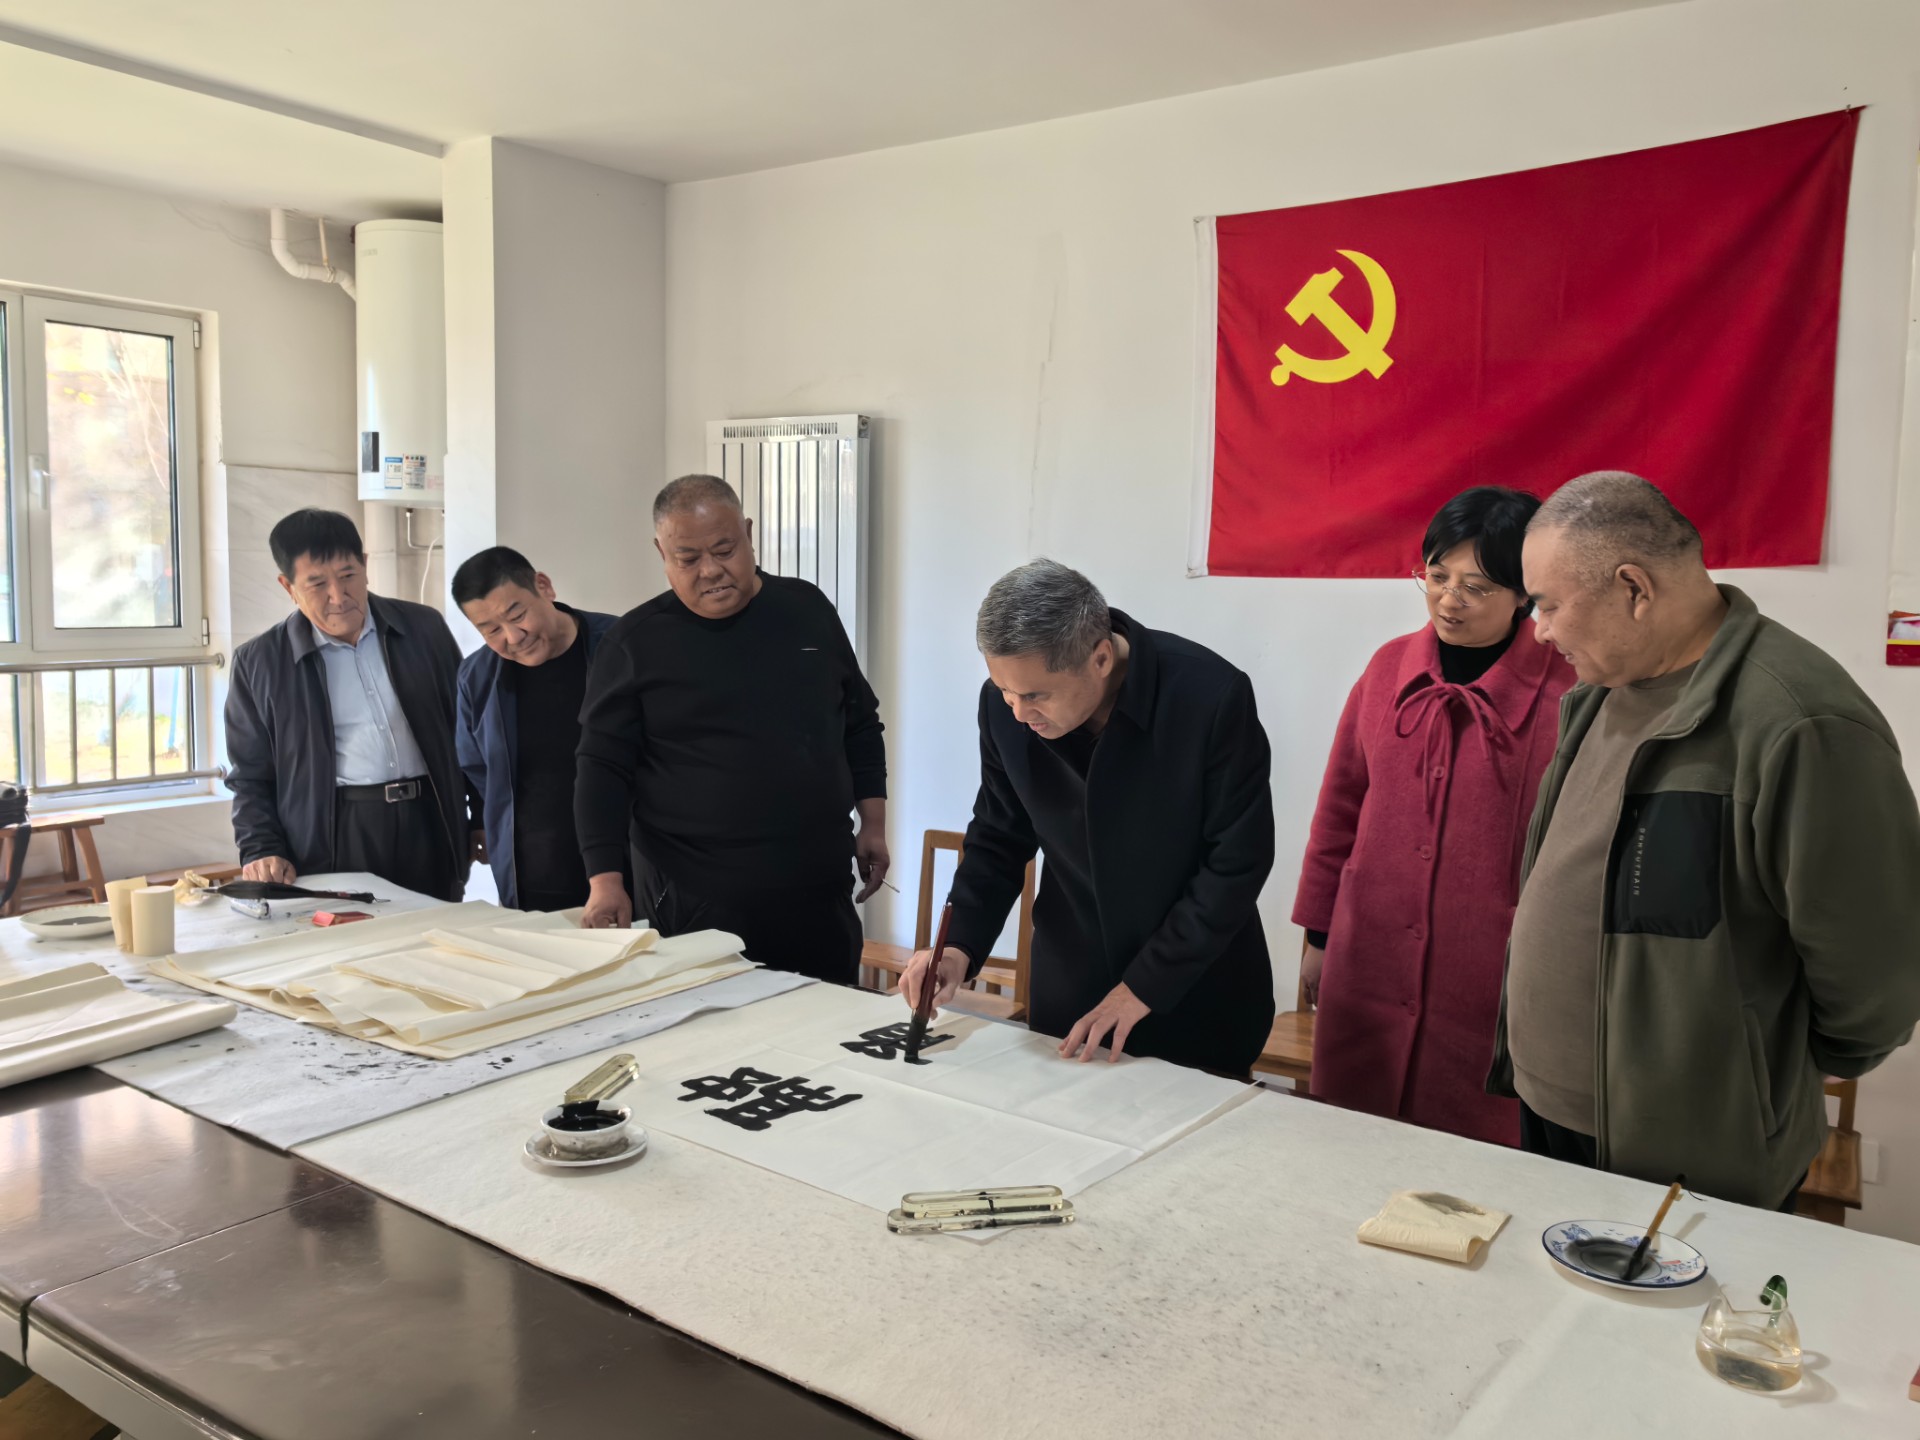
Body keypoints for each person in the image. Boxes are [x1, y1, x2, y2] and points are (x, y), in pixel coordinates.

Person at [1489, 471, 1920, 1209]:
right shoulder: (1600, 693)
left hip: (1691, 1151)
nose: (1541, 630)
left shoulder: (1799, 721)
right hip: (1555, 1113)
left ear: (1634, 588)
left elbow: (1875, 972)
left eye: (1550, 604)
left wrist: (1759, 1078)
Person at [900, 559, 1275, 1076]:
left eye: (1035, 695)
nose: (1018, 712)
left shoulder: (1208, 697)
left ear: (1100, 658)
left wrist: (1143, 986)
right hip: (1070, 988)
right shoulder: (1004, 707)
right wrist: (957, 945)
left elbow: (1235, 864)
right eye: (1004, 690)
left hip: (1196, 989)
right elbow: (999, 835)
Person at [1294, 487, 1573, 1146]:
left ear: (1524, 595)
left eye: (1476, 587)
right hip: (1368, 959)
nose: (1449, 599)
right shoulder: (1388, 668)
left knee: (1472, 1165)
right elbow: (1340, 805)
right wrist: (1318, 937)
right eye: (1437, 576)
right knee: (1348, 1144)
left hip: (1492, 980)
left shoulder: (1569, 691)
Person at [574, 474, 890, 982]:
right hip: (697, 898)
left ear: (748, 534)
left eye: (725, 550)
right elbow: (601, 769)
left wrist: (872, 822)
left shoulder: (806, 609)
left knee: (830, 1016)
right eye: (688, 559)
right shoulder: (634, 643)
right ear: (661, 553)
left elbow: (859, 722)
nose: (711, 571)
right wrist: (604, 880)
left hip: (818, 887)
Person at [226, 508, 475, 902]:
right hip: (337, 832)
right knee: (349, 934)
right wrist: (260, 846)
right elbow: (250, 775)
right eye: (317, 583)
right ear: (288, 586)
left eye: (347, 576)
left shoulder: (423, 629)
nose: (338, 597)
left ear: (365, 565)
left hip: (430, 819)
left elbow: (470, 731)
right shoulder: (260, 663)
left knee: (436, 932)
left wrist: (481, 817)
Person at [453, 547, 621, 912]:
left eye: (517, 615)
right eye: (491, 630)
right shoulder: (477, 678)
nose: (513, 637)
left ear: (543, 586)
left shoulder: (621, 646)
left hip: (629, 867)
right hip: (533, 876)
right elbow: (477, 768)